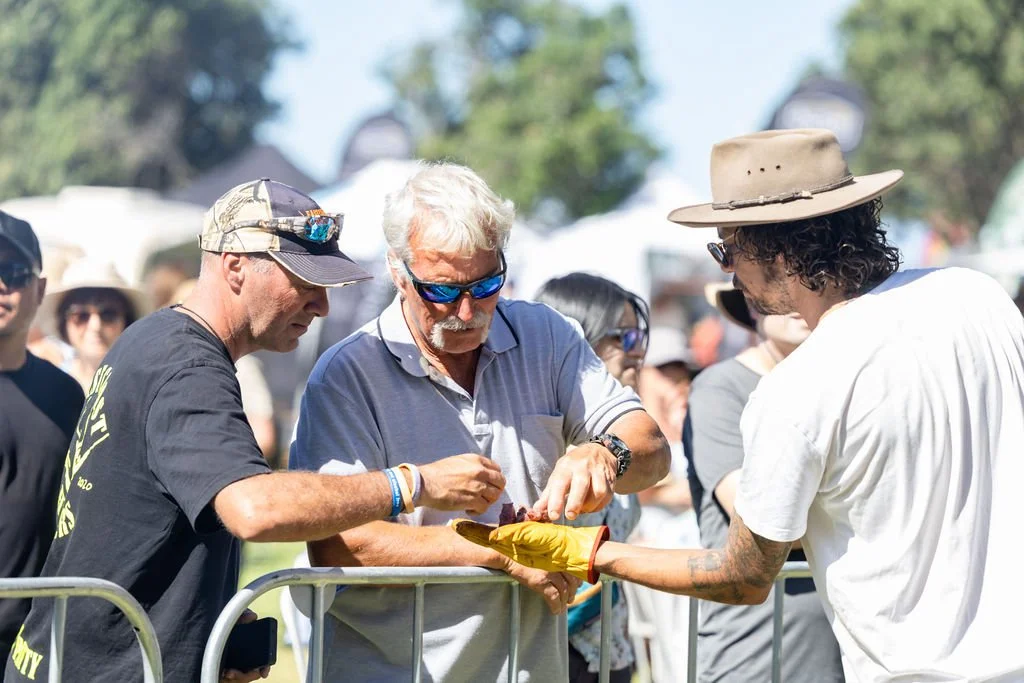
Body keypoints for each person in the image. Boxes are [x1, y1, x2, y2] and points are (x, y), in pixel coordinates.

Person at [457, 129, 1024, 681]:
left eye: (726, 248)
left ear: (775, 251)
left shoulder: (799, 386)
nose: (726, 269)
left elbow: (744, 577)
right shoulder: (978, 297)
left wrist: (590, 552)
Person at [5, 179, 506, 683]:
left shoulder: (159, 341)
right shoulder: (185, 366)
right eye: (304, 282)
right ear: (235, 265)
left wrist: (209, 617)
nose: (321, 306)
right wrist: (412, 485)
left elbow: (132, 518)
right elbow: (255, 509)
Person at [290, 162, 670, 682]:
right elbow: (338, 543)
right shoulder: (347, 374)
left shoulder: (548, 335)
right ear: (397, 271)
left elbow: (650, 445)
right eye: (443, 291)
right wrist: (500, 551)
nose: (467, 312)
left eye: (488, 283)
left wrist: (604, 453)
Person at [685, 282, 842, 682]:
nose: (795, 296)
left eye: (813, 281)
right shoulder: (719, 388)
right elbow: (764, 523)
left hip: (846, 651)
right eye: (778, 284)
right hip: (756, 653)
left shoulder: (843, 386)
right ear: (751, 303)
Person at [533, 272, 649, 683]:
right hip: (551, 651)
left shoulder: (621, 442)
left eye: (641, 340)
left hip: (609, 651)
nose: (638, 354)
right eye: (625, 339)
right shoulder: (546, 443)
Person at [0, 213, 85, 674]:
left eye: (12, 273)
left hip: (35, 645)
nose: (0, 285)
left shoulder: (64, 395)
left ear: (39, 287)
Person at [34, 258, 149, 390]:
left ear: (127, 321)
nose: (95, 326)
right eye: (81, 316)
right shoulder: (49, 387)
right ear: (63, 323)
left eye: (108, 314)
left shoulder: (142, 386)